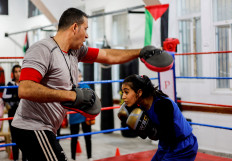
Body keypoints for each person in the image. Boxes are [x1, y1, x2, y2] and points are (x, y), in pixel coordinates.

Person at [11, 8, 172, 161]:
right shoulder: (42, 49)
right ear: (75, 27)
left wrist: (140, 52)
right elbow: (25, 89)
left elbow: (108, 55)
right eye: (85, 29)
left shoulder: (76, 51)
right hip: (31, 126)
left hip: (46, 128)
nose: (87, 35)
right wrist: (72, 95)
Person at [119, 74, 198, 161]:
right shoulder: (141, 106)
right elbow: (144, 136)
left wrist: (151, 130)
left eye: (126, 92)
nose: (123, 97)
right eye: (123, 93)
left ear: (139, 93)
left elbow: (170, 136)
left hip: (182, 146)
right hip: (165, 145)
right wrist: (137, 126)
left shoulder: (162, 105)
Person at [2, 65, 27, 161]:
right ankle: (16, 159)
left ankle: (25, 158)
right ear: (13, 73)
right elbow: (5, 97)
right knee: (15, 137)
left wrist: (15, 95)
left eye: (19, 71)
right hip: (13, 113)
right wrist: (17, 95)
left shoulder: (25, 83)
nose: (18, 73)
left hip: (24, 113)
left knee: (25, 137)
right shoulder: (10, 83)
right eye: (16, 71)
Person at [69, 69, 93, 161]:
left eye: (80, 76)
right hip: (74, 116)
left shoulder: (85, 85)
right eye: (77, 77)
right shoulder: (69, 87)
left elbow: (92, 98)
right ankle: (73, 157)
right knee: (74, 138)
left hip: (85, 115)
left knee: (88, 137)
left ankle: (90, 157)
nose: (79, 79)